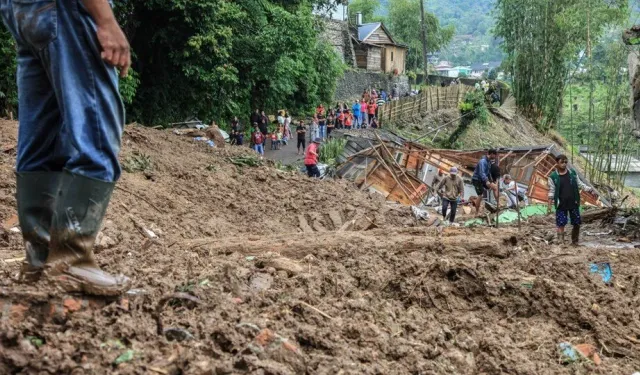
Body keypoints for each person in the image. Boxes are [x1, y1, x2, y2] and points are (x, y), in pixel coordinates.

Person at [0, 0, 133, 294]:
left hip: (22, 11)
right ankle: (71, 260)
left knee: (42, 139)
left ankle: (41, 260)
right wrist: (105, 18)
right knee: (96, 134)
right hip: (67, 10)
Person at [548, 154, 597, 245]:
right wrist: (549, 205)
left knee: (576, 222)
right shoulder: (553, 177)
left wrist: (590, 190)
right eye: (562, 162)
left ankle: (575, 242)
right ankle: (561, 242)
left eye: (566, 162)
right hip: (561, 204)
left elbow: (580, 184)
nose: (564, 164)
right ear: (557, 163)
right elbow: (551, 191)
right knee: (561, 223)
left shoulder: (572, 174)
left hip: (573, 202)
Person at [471, 149, 499, 216]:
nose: (495, 157)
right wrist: (486, 181)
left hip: (483, 179)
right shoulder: (482, 161)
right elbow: (482, 173)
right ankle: (476, 212)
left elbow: (488, 173)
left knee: (495, 187)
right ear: (491, 154)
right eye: (495, 155)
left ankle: (499, 205)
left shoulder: (489, 162)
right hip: (477, 180)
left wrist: (492, 181)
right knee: (481, 195)